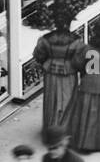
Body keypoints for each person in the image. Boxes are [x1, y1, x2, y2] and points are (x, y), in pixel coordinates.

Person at [65, 22, 100, 152]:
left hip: (87, 81)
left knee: (86, 111)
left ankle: (83, 141)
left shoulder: (86, 48)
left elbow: (77, 63)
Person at [33, 12, 85, 143]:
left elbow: (38, 55)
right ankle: (65, 131)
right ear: (69, 23)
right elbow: (81, 59)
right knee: (68, 100)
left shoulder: (45, 39)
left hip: (51, 73)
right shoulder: (76, 40)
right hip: (69, 73)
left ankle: (51, 131)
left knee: (52, 100)